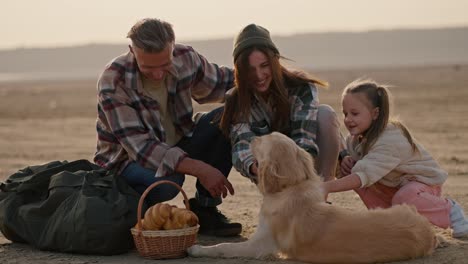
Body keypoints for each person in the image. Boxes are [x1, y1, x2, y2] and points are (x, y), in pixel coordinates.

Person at [94, 18, 242, 237]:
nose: (157, 74)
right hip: (127, 161)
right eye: (148, 67)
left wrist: (276, 78)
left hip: (179, 141)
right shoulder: (114, 81)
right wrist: (202, 170)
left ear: (173, 46)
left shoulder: (186, 59)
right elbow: (142, 148)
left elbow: (224, 83)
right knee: (169, 183)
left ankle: (205, 209)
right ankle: (133, 214)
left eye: (165, 65)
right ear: (132, 51)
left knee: (225, 117)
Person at [322, 78, 468, 239]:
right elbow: (361, 171)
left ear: (375, 113)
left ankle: (449, 210)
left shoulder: (390, 138)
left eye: (354, 113)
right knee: (353, 173)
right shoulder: (354, 139)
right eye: (345, 113)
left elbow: (364, 175)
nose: (348, 119)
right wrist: (348, 159)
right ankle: (389, 221)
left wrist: (325, 187)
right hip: (392, 184)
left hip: (422, 184)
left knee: (401, 195)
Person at [219, 24, 342, 183]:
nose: (259, 76)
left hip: (305, 164)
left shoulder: (301, 87)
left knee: (325, 113)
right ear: (240, 71)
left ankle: (322, 191)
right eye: (250, 69)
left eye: (264, 66)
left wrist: (295, 170)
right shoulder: (236, 99)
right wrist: (254, 167)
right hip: (269, 175)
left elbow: (305, 138)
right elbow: (242, 144)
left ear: (275, 61)